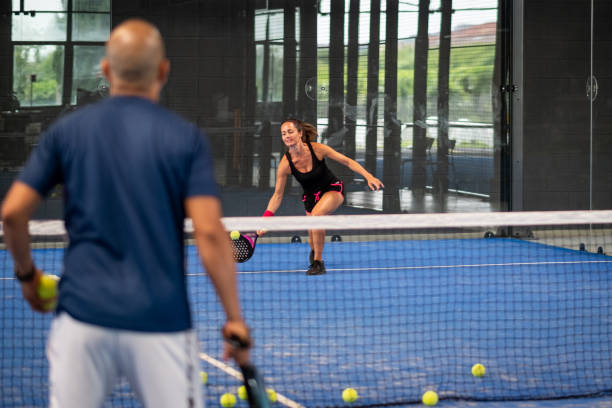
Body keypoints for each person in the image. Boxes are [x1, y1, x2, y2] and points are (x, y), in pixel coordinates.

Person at [1, 19, 250, 408]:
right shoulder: (185, 138)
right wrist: (234, 318)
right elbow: (208, 232)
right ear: (163, 70)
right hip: (162, 321)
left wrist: (27, 276)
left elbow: (13, 213)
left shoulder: (66, 133)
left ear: (105, 69)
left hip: (81, 320)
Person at [261, 118, 383, 276]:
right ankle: (315, 252)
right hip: (311, 198)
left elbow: (347, 161)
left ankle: (318, 263)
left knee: (317, 216)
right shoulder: (285, 164)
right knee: (313, 241)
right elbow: (277, 195)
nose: (287, 136)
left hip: (332, 189)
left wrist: (369, 176)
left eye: (290, 132)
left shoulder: (316, 149)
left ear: (300, 133)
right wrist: (265, 219)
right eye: (283, 133)